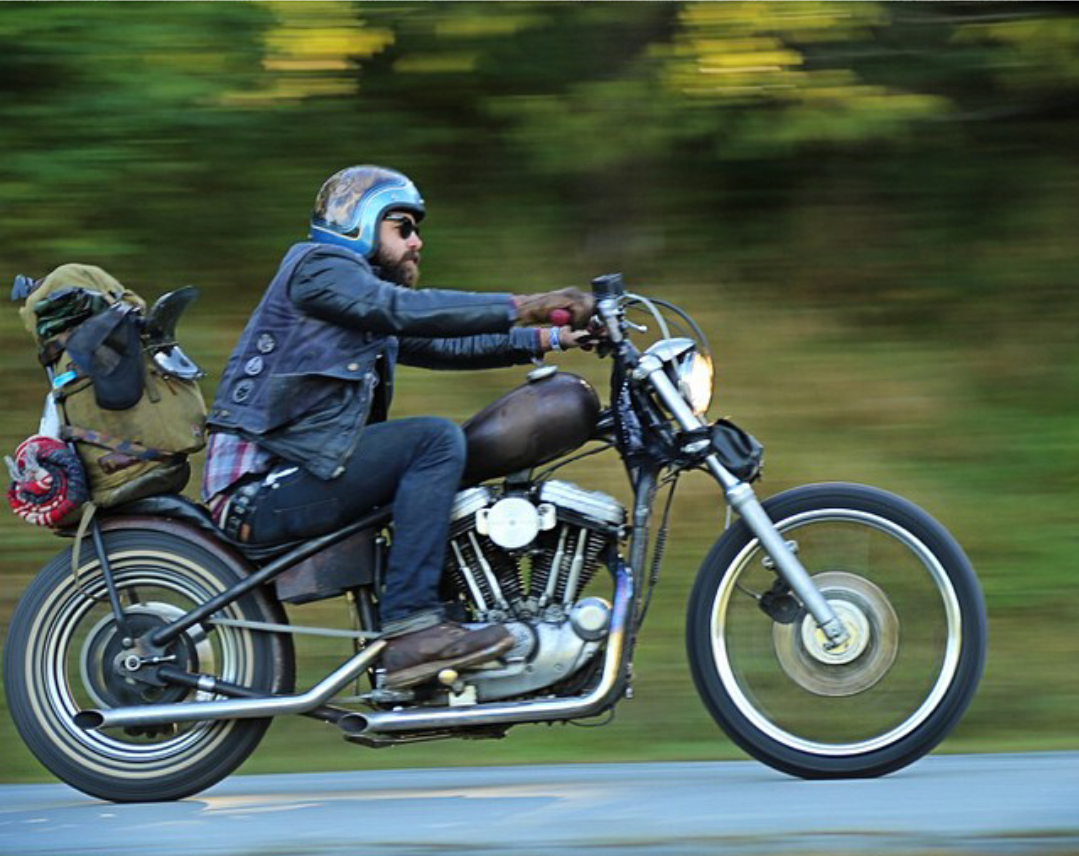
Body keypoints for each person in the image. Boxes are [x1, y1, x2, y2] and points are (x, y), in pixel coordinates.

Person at [201, 165, 594, 689]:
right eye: (402, 227)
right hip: (258, 488)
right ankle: (411, 630)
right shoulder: (318, 269)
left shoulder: (358, 303)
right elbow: (404, 310)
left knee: (457, 458)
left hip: (302, 468)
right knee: (433, 441)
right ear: (358, 225)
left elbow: (441, 342)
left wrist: (553, 338)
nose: (416, 242)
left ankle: (454, 626)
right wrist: (524, 307)